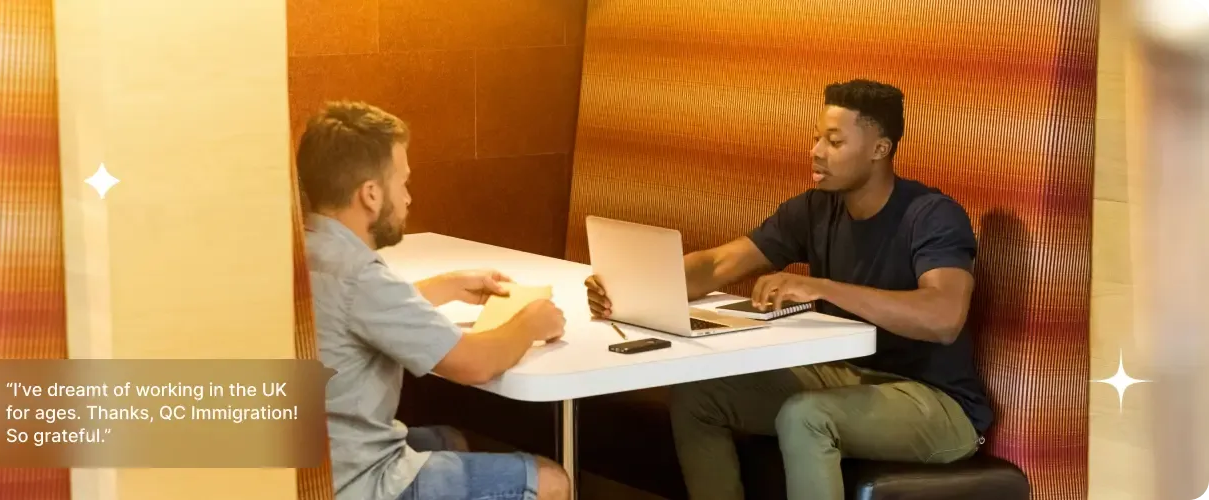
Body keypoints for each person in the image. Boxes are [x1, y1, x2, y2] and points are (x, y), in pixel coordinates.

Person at [585, 79, 993, 500]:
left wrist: (824, 287)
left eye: (834, 141)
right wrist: (627, 286)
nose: (816, 151)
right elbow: (718, 264)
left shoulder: (931, 216)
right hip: (849, 377)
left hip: (937, 402)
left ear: (879, 150)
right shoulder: (816, 208)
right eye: (817, 138)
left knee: (807, 416)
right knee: (700, 396)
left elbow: (943, 317)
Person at [299, 100, 572, 500]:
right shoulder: (360, 274)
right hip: (358, 481)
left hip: (312, 469)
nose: (408, 198)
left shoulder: (306, 251)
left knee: (449, 440)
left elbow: (354, 313)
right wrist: (531, 321)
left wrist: (444, 286)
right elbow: (474, 365)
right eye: (403, 183)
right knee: (551, 481)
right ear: (371, 194)